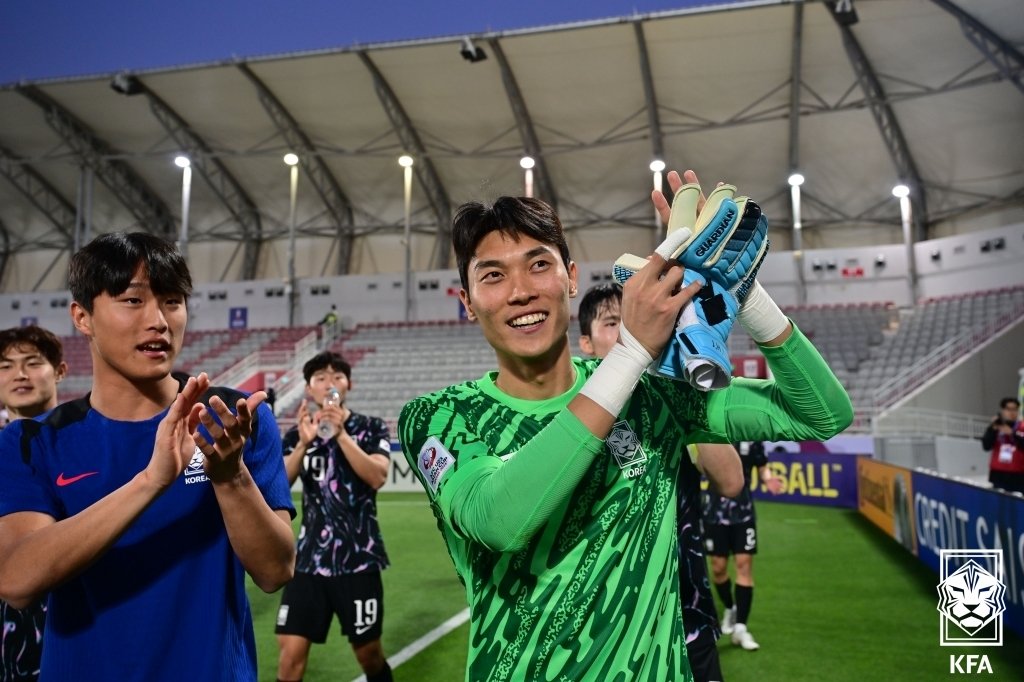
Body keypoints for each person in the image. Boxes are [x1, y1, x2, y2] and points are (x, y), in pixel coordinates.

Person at [397, 168, 853, 681]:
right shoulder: (438, 416)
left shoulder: (650, 391)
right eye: (493, 275)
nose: (520, 291)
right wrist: (633, 350)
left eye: (538, 265)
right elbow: (500, 521)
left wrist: (741, 290)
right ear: (467, 302)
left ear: (570, 277)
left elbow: (821, 413)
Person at [0, 232, 296, 682]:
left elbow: (276, 570)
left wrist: (229, 475)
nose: (158, 319)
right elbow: (17, 579)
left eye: (172, 301)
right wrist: (151, 480)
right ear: (83, 317)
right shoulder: (33, 440)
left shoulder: (233, 418)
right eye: (132, 301)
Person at [577, 283, 742, 682]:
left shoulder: (669, 397)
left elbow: (731, 480)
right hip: (610, 631)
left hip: (688, 614)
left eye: (631, 320)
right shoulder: (574, 415)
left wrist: (686, 394)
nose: (626, 331)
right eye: (613, 323)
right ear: (586, 343)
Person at [275, 351, 393, 682]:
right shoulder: (297, 434)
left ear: (349, 385)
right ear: (309, 390)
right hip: (308, 561)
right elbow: (278, 484)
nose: (330, 384)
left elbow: (377, 476)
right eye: (321, 379)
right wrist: (302, 445)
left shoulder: (369, 428)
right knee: (290, 656)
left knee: (369, 655)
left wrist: (340, 434)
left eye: (337, 377)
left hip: (358, 559)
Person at [0, 326, 67, 682]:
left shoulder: (87, 445)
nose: (19, 374)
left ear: (59, 370)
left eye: (32, 363)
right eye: (5, 366)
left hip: (70, 622)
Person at [702, 440, 782, 651]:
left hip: (743, 513)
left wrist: (769, 479)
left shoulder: (753, 439)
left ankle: (741, 628)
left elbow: (762, 467)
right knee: (718, 569)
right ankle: (730, 607)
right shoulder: (712, 433)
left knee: (744, 566)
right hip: (714, 513)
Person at [980, 397, 1024, 493]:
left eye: (1015, 409)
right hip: (999, 475)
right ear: (1003, 411)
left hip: (1019, 475)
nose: (1011, 412)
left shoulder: (1022, 427)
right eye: (1008, 409)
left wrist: (1012, 433)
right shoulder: (996, 426)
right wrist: (993, 428)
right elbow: (986, 446)